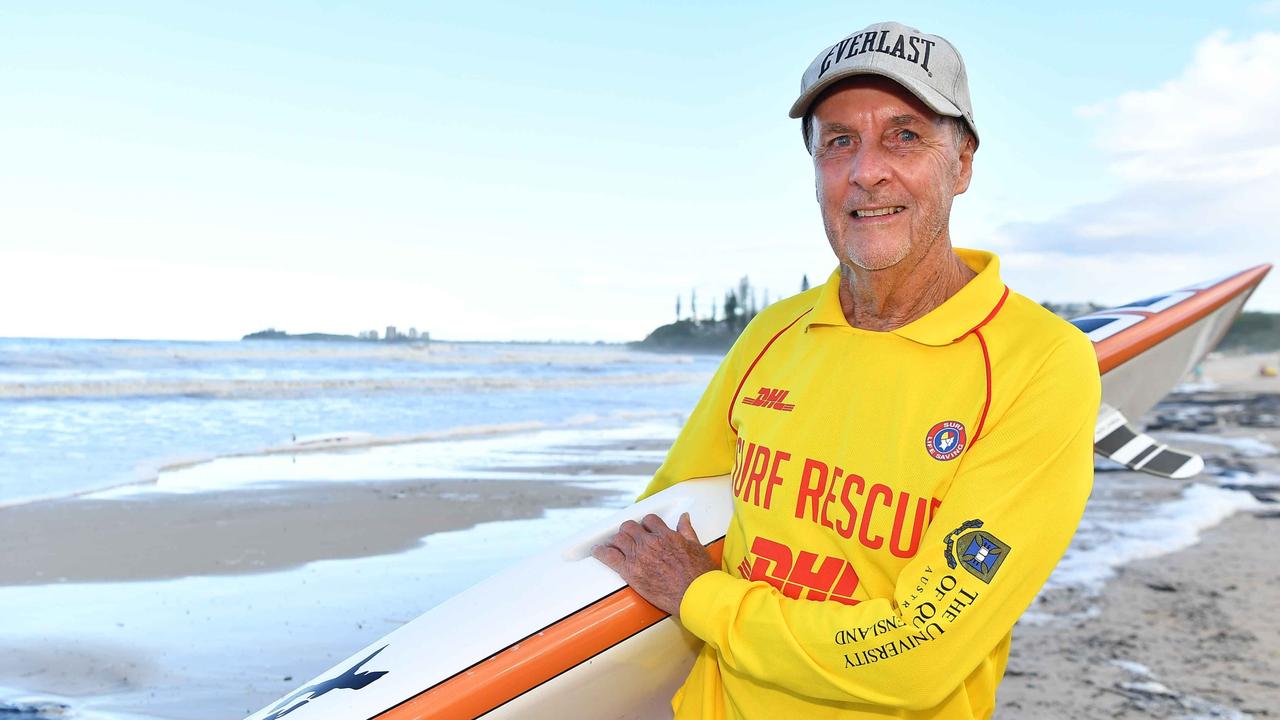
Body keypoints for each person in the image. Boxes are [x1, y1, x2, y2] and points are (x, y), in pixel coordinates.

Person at [592, 21, 1101, 720]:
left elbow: (916, 657)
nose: (867, 171)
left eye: (905, 135)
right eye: (839, 142)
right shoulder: (774, 333)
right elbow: (668, 519)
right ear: (817, 171)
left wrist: (703, 598)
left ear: (962, 163)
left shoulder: (1040, 363)